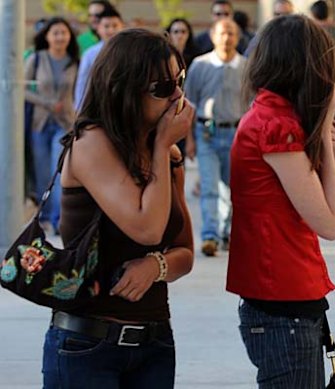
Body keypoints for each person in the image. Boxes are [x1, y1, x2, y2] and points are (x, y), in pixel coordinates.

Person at [42, 29, 195, 388]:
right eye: (162, 88)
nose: (177, 96)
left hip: (153, 342)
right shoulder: (91, 143)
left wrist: (155, 266)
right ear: (123, 89)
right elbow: (147, 229)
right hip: (88, 345)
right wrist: (160, 148)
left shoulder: (167, 155)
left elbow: (185, 254)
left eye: (180, 81)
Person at [226, 15, 335, 388]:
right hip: (283, 301)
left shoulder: (272, 116)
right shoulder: (277, 125)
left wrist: (327, 146)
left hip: (285, 298)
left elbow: (321, 203)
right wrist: (323, 133)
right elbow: (329, 223)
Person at [184, 18, 246, 257]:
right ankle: (209, 236)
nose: (226, 38)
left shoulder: (246, 67)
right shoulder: (200, 65)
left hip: (237, 134)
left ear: (237, 37)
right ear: (212, 36)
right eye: (222, 33)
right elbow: (188, 104)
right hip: (206, 134)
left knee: (235, 189)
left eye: (231, 33)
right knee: (210, 186)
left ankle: (228, 233)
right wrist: (189, 139)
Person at [24, 17, 79, 234]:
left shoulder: (74, 61)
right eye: (55, 33)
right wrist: (46, 103)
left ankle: (58, 218)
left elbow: (79, 92)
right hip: (40, 123)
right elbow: (22, 89)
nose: (60, 37)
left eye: (63, 33)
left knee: (59, 170)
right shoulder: (37, 59)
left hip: (64, 123)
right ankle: (44, 216)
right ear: (46, 36)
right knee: (41, 172)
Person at [74, 6, 124, 111]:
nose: (111, 30)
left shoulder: (129, 52)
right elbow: (82, 83)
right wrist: (79, 109)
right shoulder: (90, 54)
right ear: (98, 29)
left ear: (122, 27)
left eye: (115, 26)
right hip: (97, 107)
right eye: (106, 26)